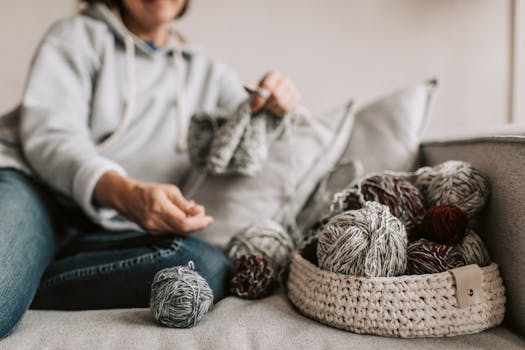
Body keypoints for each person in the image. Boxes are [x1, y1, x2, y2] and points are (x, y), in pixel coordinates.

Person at [0, 0, 301, 338]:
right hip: (34, 190)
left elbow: (254, 127)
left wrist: (277, 102)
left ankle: (26, 270)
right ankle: (18, 267)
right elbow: (52, 137)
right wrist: (126, 194)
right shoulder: (77, 36)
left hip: (109, 229)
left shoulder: (206, 73)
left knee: (206, 268)